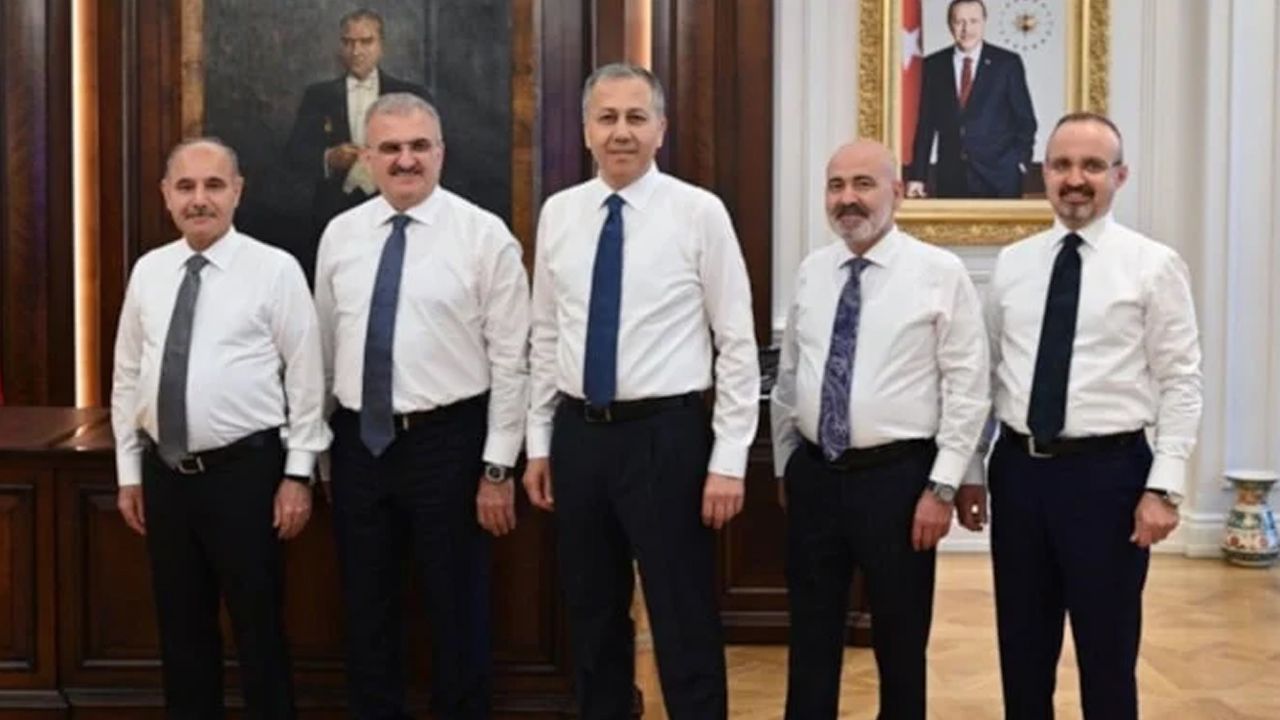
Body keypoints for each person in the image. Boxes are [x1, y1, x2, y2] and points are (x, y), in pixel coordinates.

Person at [522, 62, 759, 719]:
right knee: (591, 614)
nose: (620, 132)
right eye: (607, 118)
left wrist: (729, 459)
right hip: (579, 437)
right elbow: (546, 335)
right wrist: (539, 443)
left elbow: (737, 341)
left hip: (666, 438)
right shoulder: (560, 214)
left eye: (635, 117)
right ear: (586, 131)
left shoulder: (698, 213)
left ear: (661, 129)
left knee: (683, 613)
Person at [956, 112, 1202, 719]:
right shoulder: (1012, 264)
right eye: (1062, 164)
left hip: (1109, 479)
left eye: (1092, 166)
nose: (1075, 179)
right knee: (1022, 650)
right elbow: (987, 376)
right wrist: (971, 470)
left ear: (1120, 175)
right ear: (1043, 173)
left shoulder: (1153, 266)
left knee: (1107, 655)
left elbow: (1181, 381)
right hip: (1019, 473)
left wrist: (1164, 488)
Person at [314, 92, 529, 719]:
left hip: (450, 445)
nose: (405, 160)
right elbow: (325, 349)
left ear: (440, 153)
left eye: (418, 147)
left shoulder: (483, 236)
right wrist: (319, 452)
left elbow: (512, 361)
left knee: (456, 608)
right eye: (390, 148)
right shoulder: (340, 236)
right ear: (367, 156)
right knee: (365, 609)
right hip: (359, 445)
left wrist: (497, 468)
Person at [771, 139, 989, 719]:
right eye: (836, 185)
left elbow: (967, 389)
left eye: (863, 184)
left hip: (899, 483)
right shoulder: (813, 272)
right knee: (810, 636)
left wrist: (944, 486)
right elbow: (791, 375)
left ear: (896, 192)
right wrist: (787, 464)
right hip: (816, 475)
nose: (848, 198)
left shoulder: (939, 273)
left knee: (900, 640)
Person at [111, 137, 329, 718]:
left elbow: (307, 377)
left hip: (246, 475)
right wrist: (129, 473)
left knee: (259, 628)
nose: (199, 199)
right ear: (166, 196)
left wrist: (298, 475)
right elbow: (127, 374)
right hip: (165, 476)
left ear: (237, 191)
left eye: (213, 185)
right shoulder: (150, 271)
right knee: (180, 630)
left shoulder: (274, 269)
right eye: (185, 187)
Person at [285, 8, 431, 245]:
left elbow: (430, 152)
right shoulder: (318, 96)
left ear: (382, 46)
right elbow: (294, 154)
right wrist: (329, 158)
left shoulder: (411, 95)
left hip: (398, 207)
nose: (356, 51)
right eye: (348, 42)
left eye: (366, 42)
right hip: (335, 213)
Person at [907, 0, 1037, 199]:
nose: (966, 29)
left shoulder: (1007, 64)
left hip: (1000, 179)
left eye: (973, 21)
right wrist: (918, 176)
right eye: (959, 22)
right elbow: (926, 125)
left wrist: (1019, 163)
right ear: (950, 25)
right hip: (951, 179)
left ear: (984, 22)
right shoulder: (934, 66)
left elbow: (1025, 121)